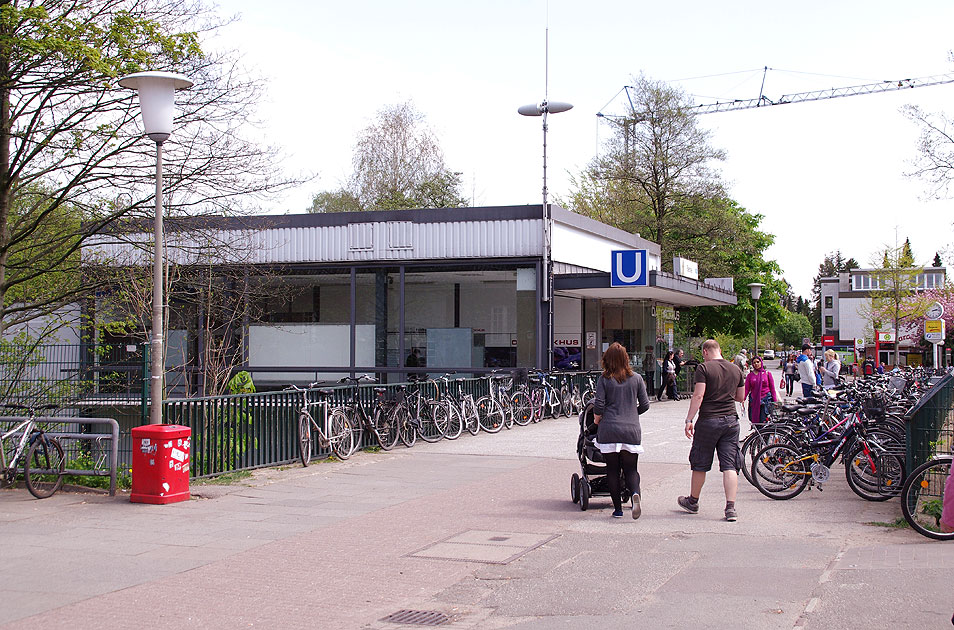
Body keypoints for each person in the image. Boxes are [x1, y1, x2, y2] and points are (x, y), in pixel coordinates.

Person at [678, 338, 745, 522]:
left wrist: (689, 419)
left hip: (709, 420)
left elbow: (698, 395)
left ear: (705, 352)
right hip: (731, 421)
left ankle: (693, 501)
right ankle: (730, 508)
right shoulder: (736, 369)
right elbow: (740, 397)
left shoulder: (704, 368)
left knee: (700, 461)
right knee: (729, 464)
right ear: (720, 350)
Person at [592, 342, 651, 519]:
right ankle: (634, 495)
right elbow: (646, 405)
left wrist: (597, 419)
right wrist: (633, 413)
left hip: (609, 428)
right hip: (631, 429)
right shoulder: (637, 379)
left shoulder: (604, 379)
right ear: (626, 359)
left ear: (606, 359)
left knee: (612, 470)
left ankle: (617, 509)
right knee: (631, 469)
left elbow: (599, 405)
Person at [744, 356, 777, 425]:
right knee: (755, 420)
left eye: (758, 362)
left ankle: (763, 434)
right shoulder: (750, 376)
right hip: (754, 400)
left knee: (764, 420)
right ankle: (758, 434)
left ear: (761, 362)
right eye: (754, 363)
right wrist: (742, 399)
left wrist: (775, 401)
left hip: (766, 399)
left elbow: (772, 388)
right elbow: (746, 389)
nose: (756, 364)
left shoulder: (767, 374)